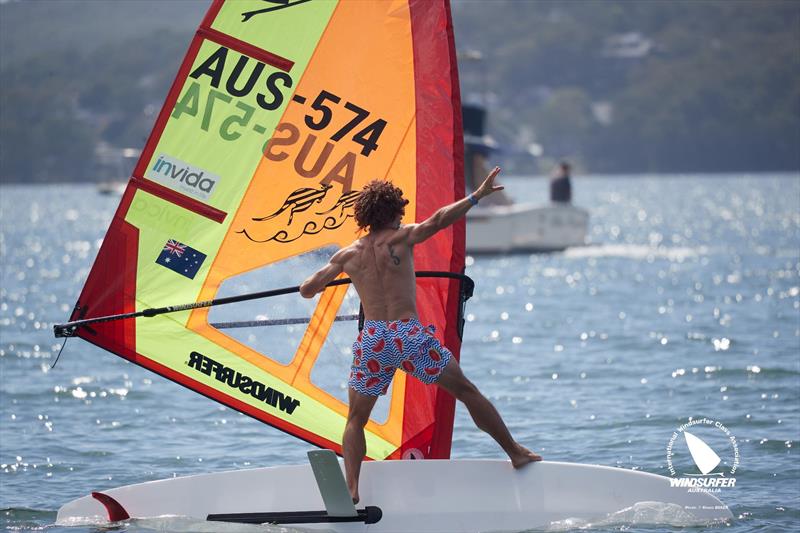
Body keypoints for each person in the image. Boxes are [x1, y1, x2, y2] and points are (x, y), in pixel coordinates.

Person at [300, 167, 542, 503]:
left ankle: (352, 487)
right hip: (407, 336)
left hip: (373, 340)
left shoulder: (348, 255)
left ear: (365, 215)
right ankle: (515, 452)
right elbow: (439, 220)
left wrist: (330, 277)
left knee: (355, 419)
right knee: (466, 390)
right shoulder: (400, 239)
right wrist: (476, 196)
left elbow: (308, 289)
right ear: (395, 212)